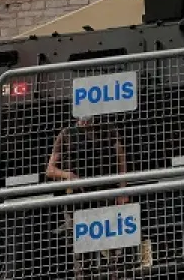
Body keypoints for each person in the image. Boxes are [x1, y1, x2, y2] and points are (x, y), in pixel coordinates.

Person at [48, 118, 133, 280]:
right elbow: (50, 169)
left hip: (106, 195)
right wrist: (68, 175)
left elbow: (121, 159)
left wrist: (123, 190)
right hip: (78, 199)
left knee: (115, 248)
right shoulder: (66, 134)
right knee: (81, 252)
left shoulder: (107, 129)